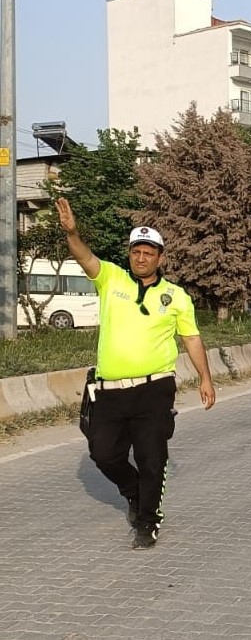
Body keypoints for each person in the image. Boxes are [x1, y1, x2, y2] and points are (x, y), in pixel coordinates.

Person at [56, 197, 216, 549]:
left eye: (148, 252)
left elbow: (191, 338)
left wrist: (205, 377)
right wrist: (72, 232)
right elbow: (84, 257)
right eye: (135, 251)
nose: (140, 257)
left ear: (160, 257)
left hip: (154, 388)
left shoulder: (176, 297)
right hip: (109, 389)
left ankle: (148, 520)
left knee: (151, 457)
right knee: (103, 453)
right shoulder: (111, 279)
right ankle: (133, 493)